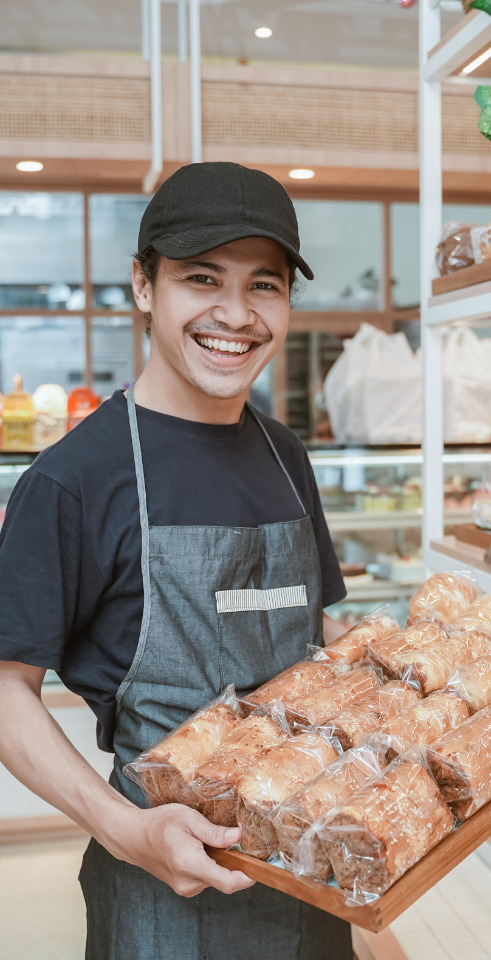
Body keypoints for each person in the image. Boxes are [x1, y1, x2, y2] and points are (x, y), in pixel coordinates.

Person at [0, 162, 353, 960]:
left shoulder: (286, 454)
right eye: (202, 278)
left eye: (264, 285)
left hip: (315, 867)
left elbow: (318, 634)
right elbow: (6, 689)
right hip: (163, 889)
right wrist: (123, 829)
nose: (236, 314)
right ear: (143, 285)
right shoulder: (73, 479)